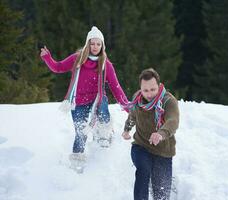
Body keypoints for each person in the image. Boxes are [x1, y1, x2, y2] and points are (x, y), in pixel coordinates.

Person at [40, 26, 128, 167]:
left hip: (97, 99)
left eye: (98, 44)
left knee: (102, 104)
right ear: (88, 44)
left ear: (102, 45)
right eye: (92, 43)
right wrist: (47, 57)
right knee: (81, 133)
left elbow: (116, 88)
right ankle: (76, 165)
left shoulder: (106, 64)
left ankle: (104, 134)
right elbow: (58, 67)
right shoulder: (77, 59)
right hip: (79, 103)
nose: (95, 47)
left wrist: (128, 107)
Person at [122, 68, 179, 200]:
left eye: (152, 89)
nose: (149, 94)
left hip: (163, 151)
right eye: (145, 90)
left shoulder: (168, 101)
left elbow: (173, 121)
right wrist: (127, 129)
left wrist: (161, 134)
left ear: (159, 86)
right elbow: (133, 116)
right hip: (141, 146)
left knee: (161, 194)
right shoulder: (138, 100)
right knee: (143, 170)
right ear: (140, 88)